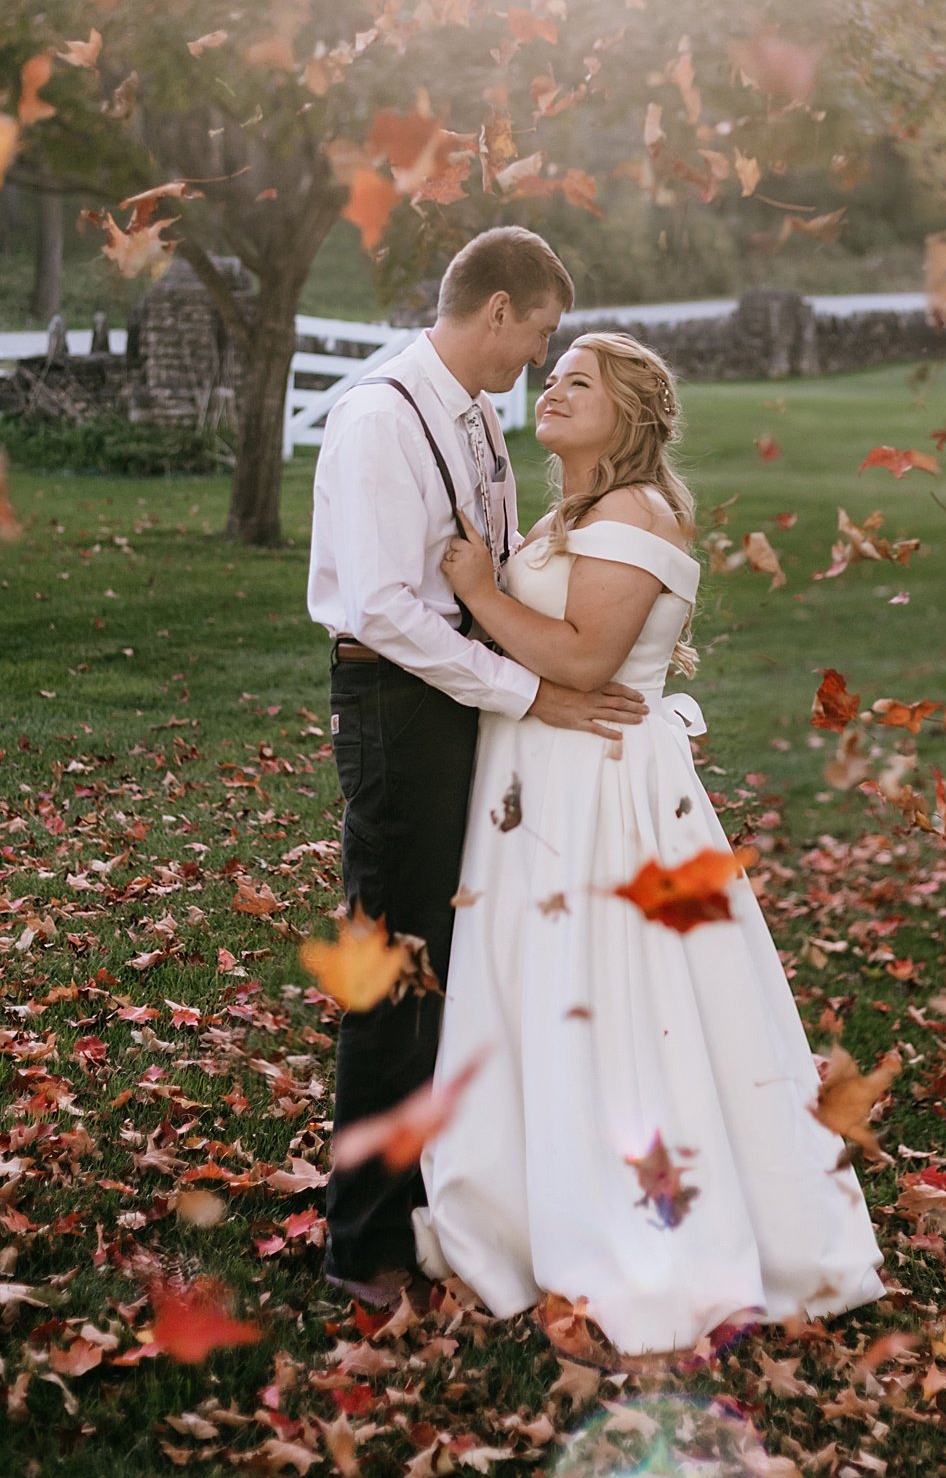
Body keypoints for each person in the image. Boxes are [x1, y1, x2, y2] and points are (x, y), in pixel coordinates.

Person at [410, 330, 887, 1356]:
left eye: (579, 381)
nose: (554, 388)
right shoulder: (577, 513)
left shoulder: (634, 511)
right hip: (542, 784)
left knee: (617, 1001)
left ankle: (640, 1227)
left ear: (628, 414)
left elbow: (586, 661)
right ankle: (528, 1202)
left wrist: (483, 592)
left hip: (601, 792)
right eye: (553, 376)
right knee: (543, 986)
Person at [306, 227, 649, 1306]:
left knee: (451, 955)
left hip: (458, 702)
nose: (537, 359)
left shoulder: (475, 418)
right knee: (396, 965)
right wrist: (529, 691)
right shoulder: (379, 420)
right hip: (397, 704)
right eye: (538, 333)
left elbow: (484, 571)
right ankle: (360, 1241)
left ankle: (425, 1195)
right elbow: (381, 609)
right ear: (496, 310)